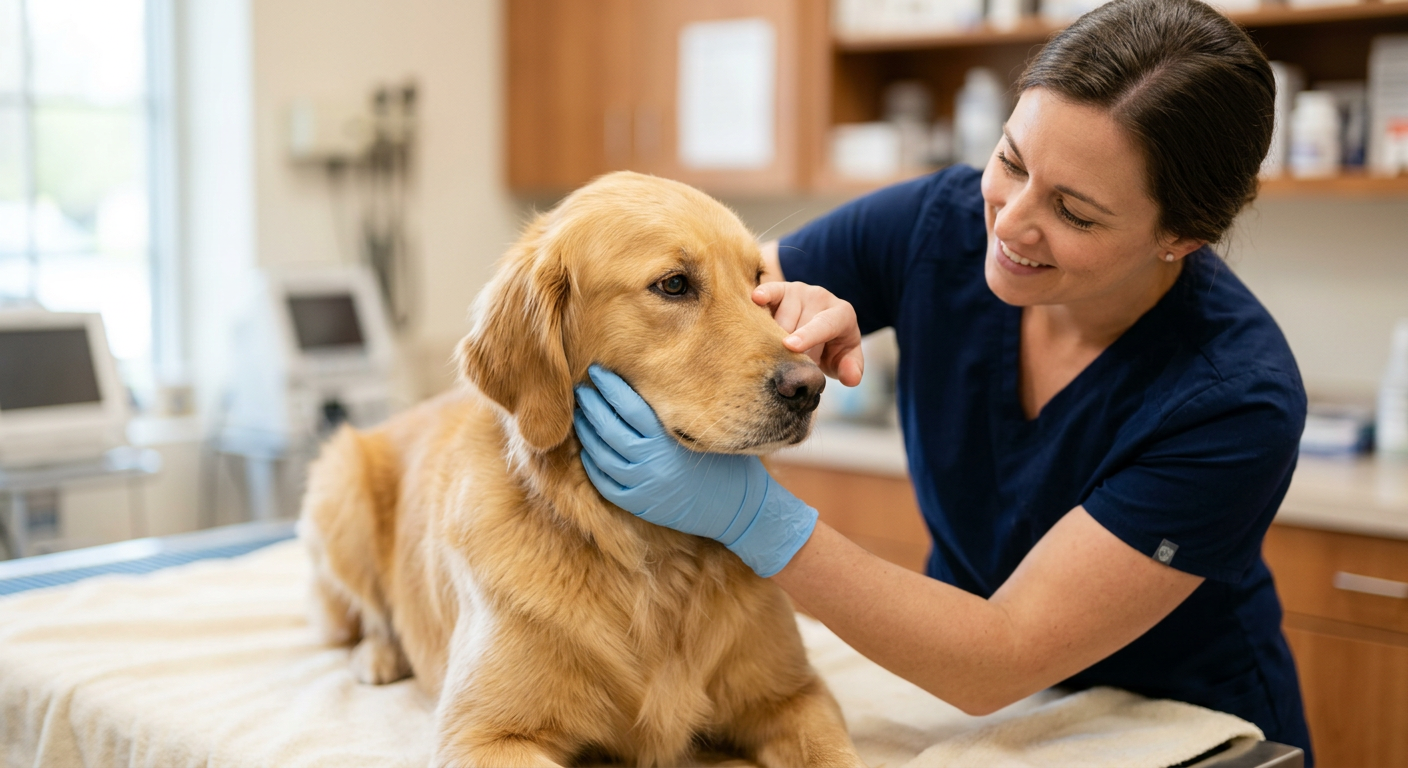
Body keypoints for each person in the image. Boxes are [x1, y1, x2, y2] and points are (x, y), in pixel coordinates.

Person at [572, 0, 1313, 760]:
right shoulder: (938, 224)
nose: (1009, 222)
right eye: (1013, 161)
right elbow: (709, 301)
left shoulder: (1233, 401)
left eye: (1074, 212)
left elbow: (1004, 654)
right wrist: (779, 316)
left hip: (1178, 732)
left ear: (1178, 237)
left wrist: (755, 520)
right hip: (971, 711)